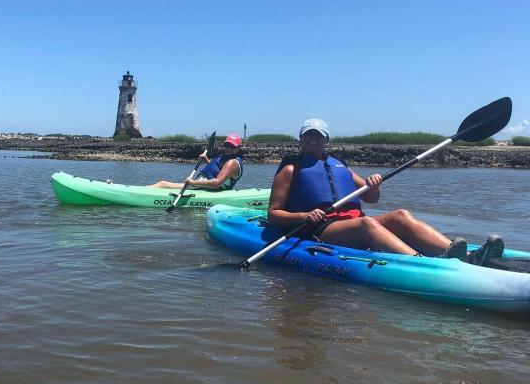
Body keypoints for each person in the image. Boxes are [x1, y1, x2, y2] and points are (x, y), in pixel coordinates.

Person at [268, 118, 504, 263]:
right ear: (300, 139)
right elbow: (274, 213)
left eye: (318, 136)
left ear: (326, 140)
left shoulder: (341, 168)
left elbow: (372, 199)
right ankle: (421, 263)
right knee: (367, 224)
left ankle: (463, 255)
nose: (313, 140)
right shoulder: (291, 169)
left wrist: (374, 184)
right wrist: (304, 216)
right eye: (308, 135)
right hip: (319, 229)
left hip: (350, 222)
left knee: (400, 214)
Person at [148, 134, 244, 191]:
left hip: (209, 189)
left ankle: (136, 192)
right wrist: (207, 160)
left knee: (163, 184)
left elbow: (217, 183)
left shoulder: (232, 163)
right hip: (203, 187)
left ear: (238, 149)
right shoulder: (227, 159)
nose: (228, 148)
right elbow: (218, 171)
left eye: (232, 146)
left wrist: (194, 182)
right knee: (163, 184)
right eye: (226, 145)